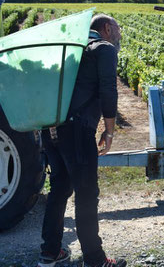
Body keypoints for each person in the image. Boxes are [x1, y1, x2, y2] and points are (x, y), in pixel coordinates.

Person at [37, 14, 126, 267]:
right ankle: (95, 260)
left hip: (50, 127)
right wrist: (109, 131)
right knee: (86, 194)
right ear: (107, 28)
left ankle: (50, 252)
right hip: (77, 131)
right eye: (117, 29)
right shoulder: (104, 49)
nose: (119, 35)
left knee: (60, 189)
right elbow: (109, 90)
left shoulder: (70, 48)